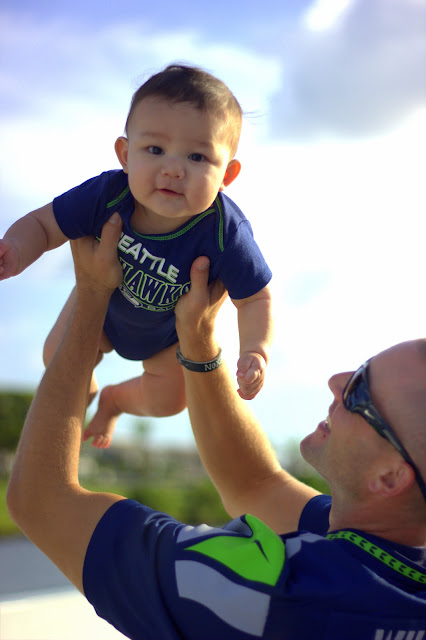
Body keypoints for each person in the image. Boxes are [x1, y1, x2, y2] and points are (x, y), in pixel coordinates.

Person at [7, 215, 426, 639]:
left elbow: (41, 501)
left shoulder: (279, 594)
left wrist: (91, 297)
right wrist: (197, 339)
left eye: (360, 390)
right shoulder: (395, 552)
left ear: (390, 477)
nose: (336, 381)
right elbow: (255, 486)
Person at [0, 64, 273, 448]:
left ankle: (116, 401)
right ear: (125, 155)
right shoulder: (107, 195)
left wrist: (256, 350)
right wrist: (14, 249)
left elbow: (255, 298)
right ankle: (88, 387)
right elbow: (44, 225)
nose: (173, 169)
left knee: (170, 400)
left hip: (167, 337)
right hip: (100, 311)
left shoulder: (224, 231)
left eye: (197, 157)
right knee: (55, 356)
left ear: (227, 175)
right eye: (156, 150)